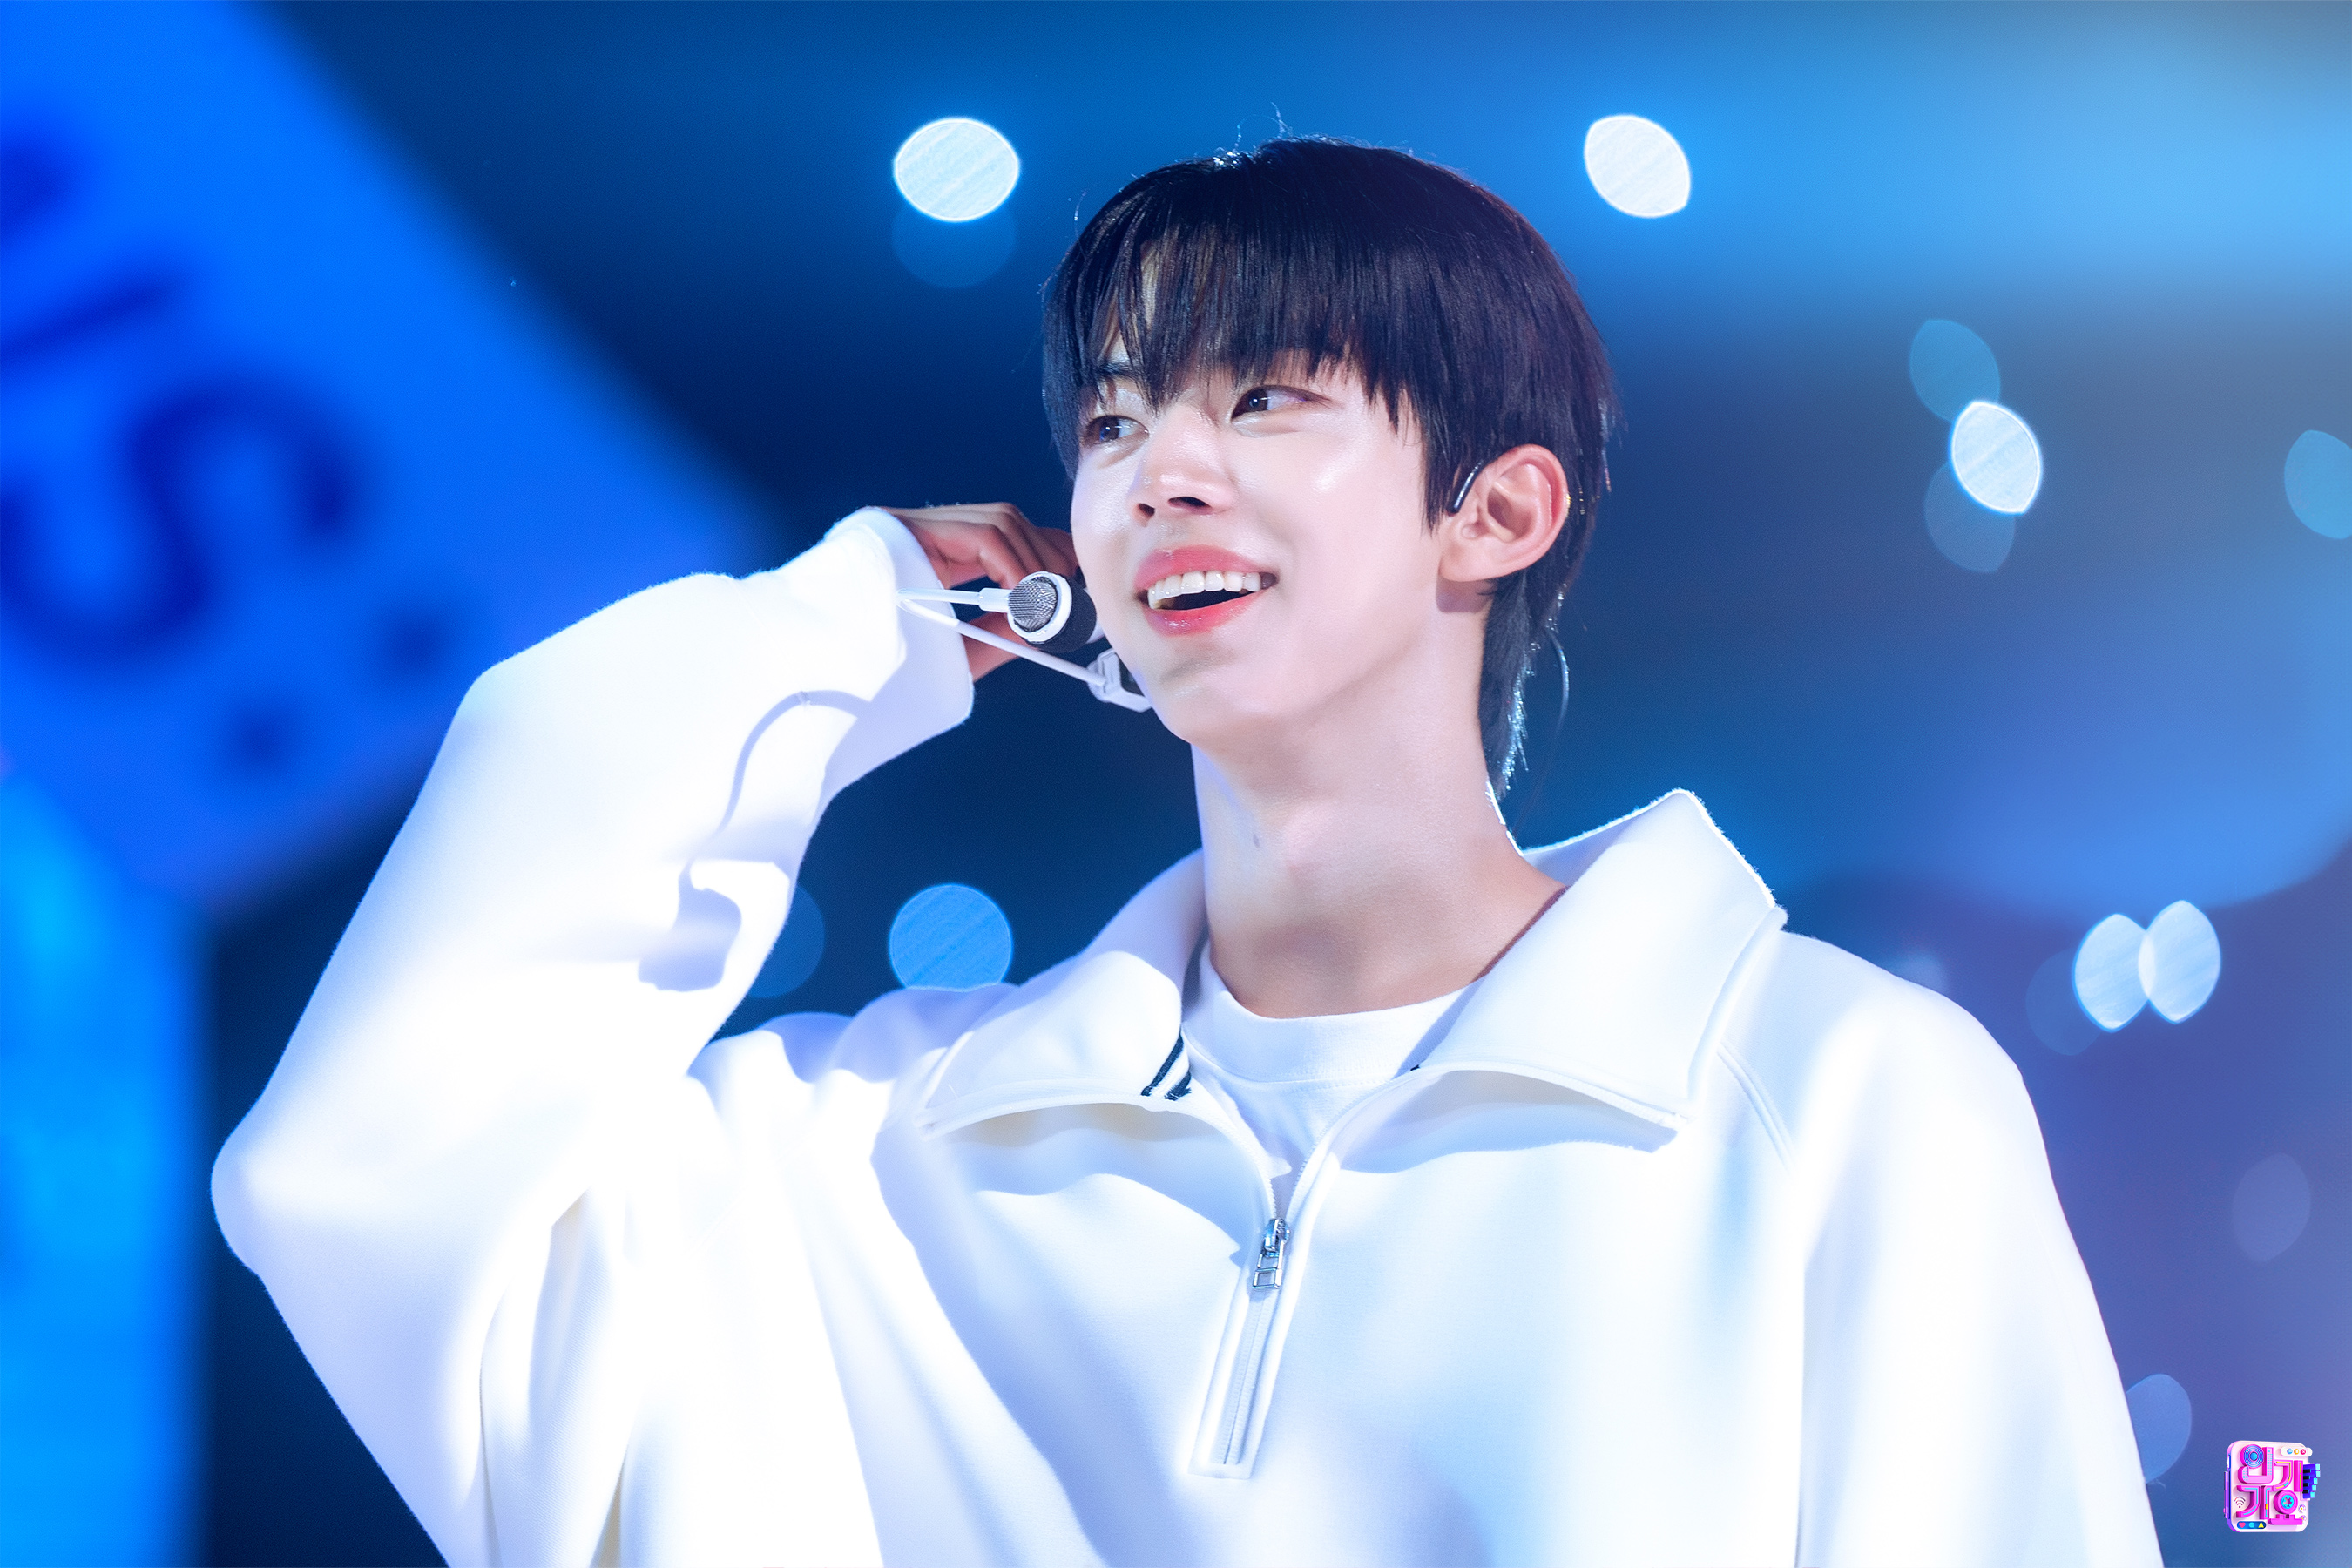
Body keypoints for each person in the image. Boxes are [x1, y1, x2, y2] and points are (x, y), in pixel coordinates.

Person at [214, 139, 2160, 1567]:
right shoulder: (863, 1151)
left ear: (1495, 511)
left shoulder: (1830, 1095)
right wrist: (850, 625)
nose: (1162, 472)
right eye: (1114, 419)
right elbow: (355, 1167)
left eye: (1268, 398)